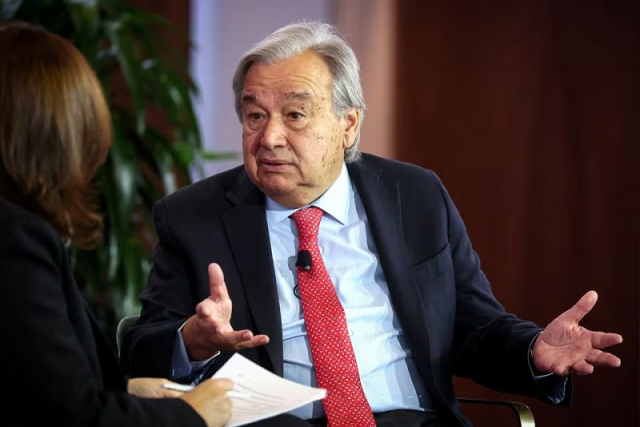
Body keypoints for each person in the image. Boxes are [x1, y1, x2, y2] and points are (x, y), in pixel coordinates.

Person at [121, 22, 623, 427]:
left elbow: (474, 329)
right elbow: (142, 350)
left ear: (348, 124)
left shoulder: (415, 195)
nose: (269, 137)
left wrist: (534, 350)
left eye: (295, 115)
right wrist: (191, 339)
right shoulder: (193, 217)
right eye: (255, 116)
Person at [0, 21, 236, 427]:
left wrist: (130, 391)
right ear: (61, 133)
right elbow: (75, 415)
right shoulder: (15, 240)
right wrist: (190, 415)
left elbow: (37, 385)